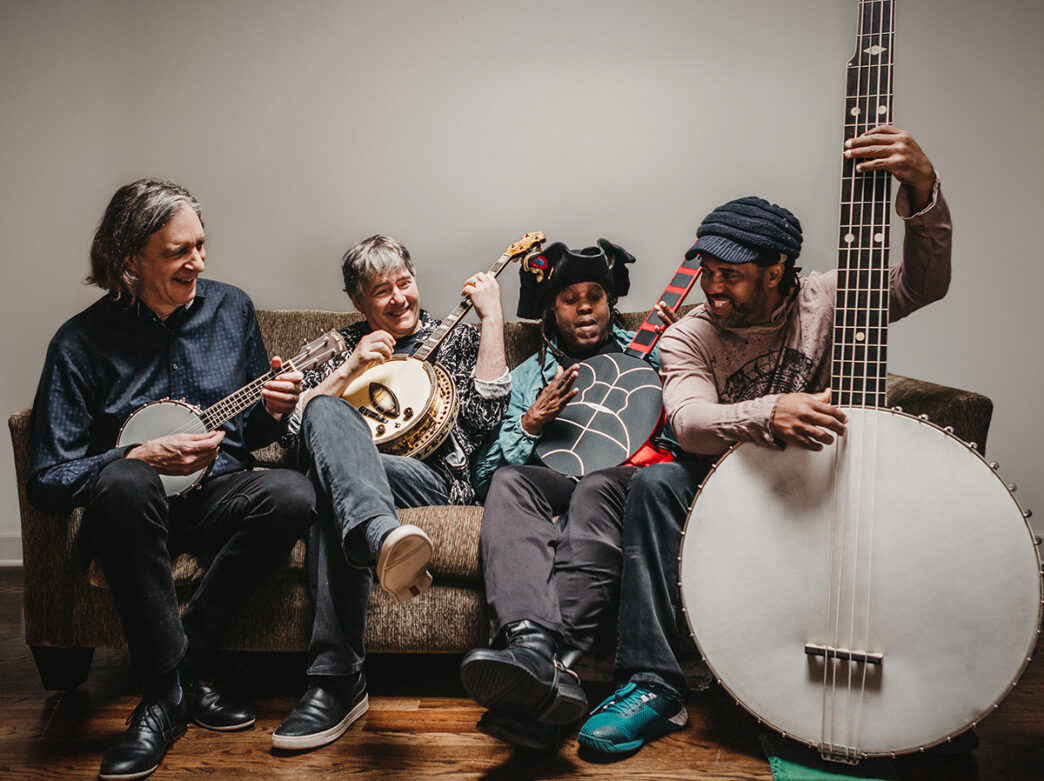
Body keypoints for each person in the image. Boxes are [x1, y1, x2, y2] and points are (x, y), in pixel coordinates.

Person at [576, 126, 952, 755]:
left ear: (778, 271)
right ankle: (652, 685)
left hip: (820, 486)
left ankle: (916, 689)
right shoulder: (687, 334)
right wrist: (768, 412)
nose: (713, 290)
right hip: (726, 485)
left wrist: (923, 190)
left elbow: (923, 285)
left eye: (732, 276)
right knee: (654, 481)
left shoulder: (832, 299)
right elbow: (689, 423)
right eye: (707, 274)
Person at [28, 179, 316, 780]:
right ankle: (163, 697)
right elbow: (49, 479)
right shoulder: (79, 343)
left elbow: (251, 439)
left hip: (218, 495)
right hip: (133, 512)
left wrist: (273, 408)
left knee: (292, 493)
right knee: (127, 482)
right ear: (129, 259)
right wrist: (136, 456)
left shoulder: (231, 308)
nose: (199, 262)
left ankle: (187, 658)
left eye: (201, 245)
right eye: (178, 251)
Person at [272, 234, 511, 750]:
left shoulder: (456, 337)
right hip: (355, 474)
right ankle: (378, 535)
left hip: (430, 479)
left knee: (327, 487)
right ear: (359, 302)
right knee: (323, 432)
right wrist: (349, 369)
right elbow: (296, 431)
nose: (399, 297)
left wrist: (491, 317)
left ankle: (335, 681)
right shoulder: (342, 344)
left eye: (405, 282)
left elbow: (488, 414)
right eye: (382, 290)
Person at [458, 239, 678, 752]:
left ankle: (555, 669)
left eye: (595, 295)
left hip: (629, 475)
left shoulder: (652, 347)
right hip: (557, 472)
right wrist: (533, 420)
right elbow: (485, 478)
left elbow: (686, 430)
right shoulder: (529, 375)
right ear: (549, 312)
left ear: (610, 302)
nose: (584, 306)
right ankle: (530, 644)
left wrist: (670, 365)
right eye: (569, 298)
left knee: (598, 487)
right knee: (513, 482)